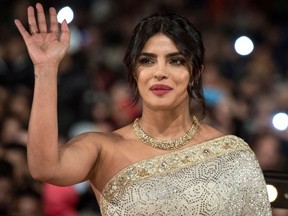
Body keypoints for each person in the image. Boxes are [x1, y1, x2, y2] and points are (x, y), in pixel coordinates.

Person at [14, 3, 272, 215]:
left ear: (195, 74)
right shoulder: (104, 148)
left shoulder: (232, 154)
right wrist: (46, 69)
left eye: (176, 61)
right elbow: (44, 167)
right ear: (134, 73)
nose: (160, 72)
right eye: (147, 61)